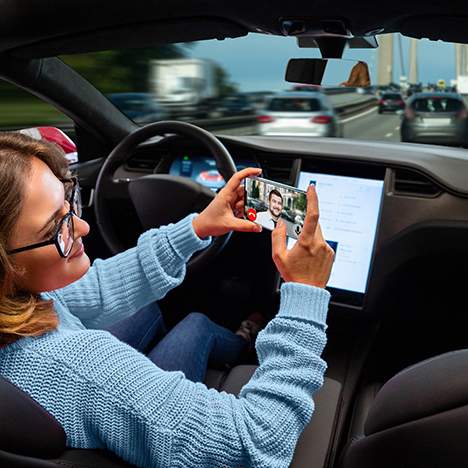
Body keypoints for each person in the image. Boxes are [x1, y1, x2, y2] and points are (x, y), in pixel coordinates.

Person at [0, 132, 335, 467]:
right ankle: (244, 339)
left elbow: (99, 287)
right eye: (55, 230)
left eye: (69, 203)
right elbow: (255, 441)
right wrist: (306, 296)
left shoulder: (17, 295)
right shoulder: (82, 368)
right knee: (196, 324)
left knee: (152, 312)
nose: (83, 228)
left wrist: (198, 228)